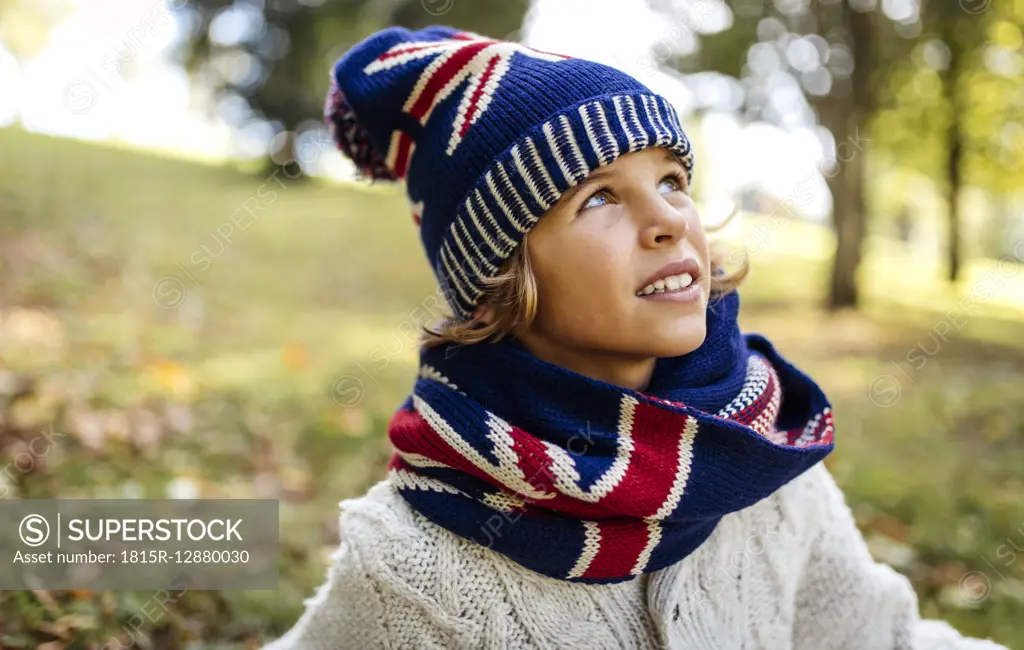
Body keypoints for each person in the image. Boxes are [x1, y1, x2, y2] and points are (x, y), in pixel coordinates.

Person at [262, 25, 1008, 650]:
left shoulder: (760, 458)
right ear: (503, 276)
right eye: (599, 198)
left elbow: (882, 640)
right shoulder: (410, 564)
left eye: (672, 180)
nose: (667, 220)